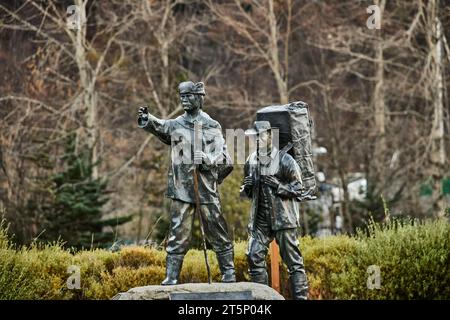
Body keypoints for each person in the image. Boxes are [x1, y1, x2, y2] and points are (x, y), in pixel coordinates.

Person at [137, 81, 235, 284]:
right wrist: (148, 118)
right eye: (181, 96)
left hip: (205, 189)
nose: (184, 99)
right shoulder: (176, 124)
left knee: (216, 229)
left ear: (199, 98)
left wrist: (207, 159)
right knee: (178, 232)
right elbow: (161, 126)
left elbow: (225, 157)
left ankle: (228, 272)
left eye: (188, 96)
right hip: (182, 189)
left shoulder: (211, 126)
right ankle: (171, 276)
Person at [240, 120, 308, 299]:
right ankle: (262, 300)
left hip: (283, 219)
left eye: (260, 136)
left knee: (293, 262)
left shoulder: (285, 160)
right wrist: (247, 187)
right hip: (260, 219)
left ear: (270, 135)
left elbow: (299, 189)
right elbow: (246, 193)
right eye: (254, 137)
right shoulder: (251, 160)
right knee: (253, 255)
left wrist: (279, 186)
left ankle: (301, 298)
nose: (256, 140)